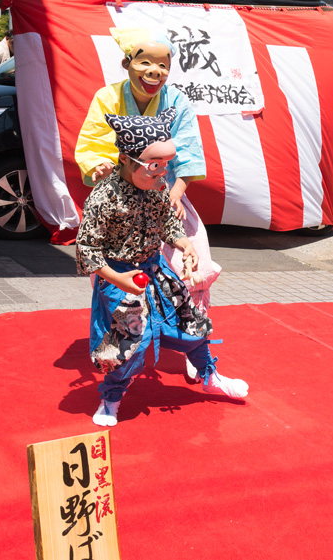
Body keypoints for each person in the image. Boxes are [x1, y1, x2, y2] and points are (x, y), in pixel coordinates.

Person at [76, 109, 247, 427]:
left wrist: (185, 246)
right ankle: (110, 399)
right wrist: (117, 278)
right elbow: (87, 250)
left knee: (191, 324)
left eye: (166, 167)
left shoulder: (155, 187)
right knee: (126, 344)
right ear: (127, 158)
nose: (163, 175)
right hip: (120, 279)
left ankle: (210, 375)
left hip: (157, 272)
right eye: (155, 167)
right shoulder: (102, 199)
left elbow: (168, 222)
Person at [75, 24, 222, 381]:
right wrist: (99, 166)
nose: (154, 72)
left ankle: (193, 344)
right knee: (114, 282)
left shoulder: (177, 102)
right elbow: (93, 142)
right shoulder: (107, 98)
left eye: (163, 65)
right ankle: (118, 352)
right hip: (120, 203)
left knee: (193, 267)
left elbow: (188, 151)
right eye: (145, 63)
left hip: (168, 196)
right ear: (128, 63)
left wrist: (171, 196)